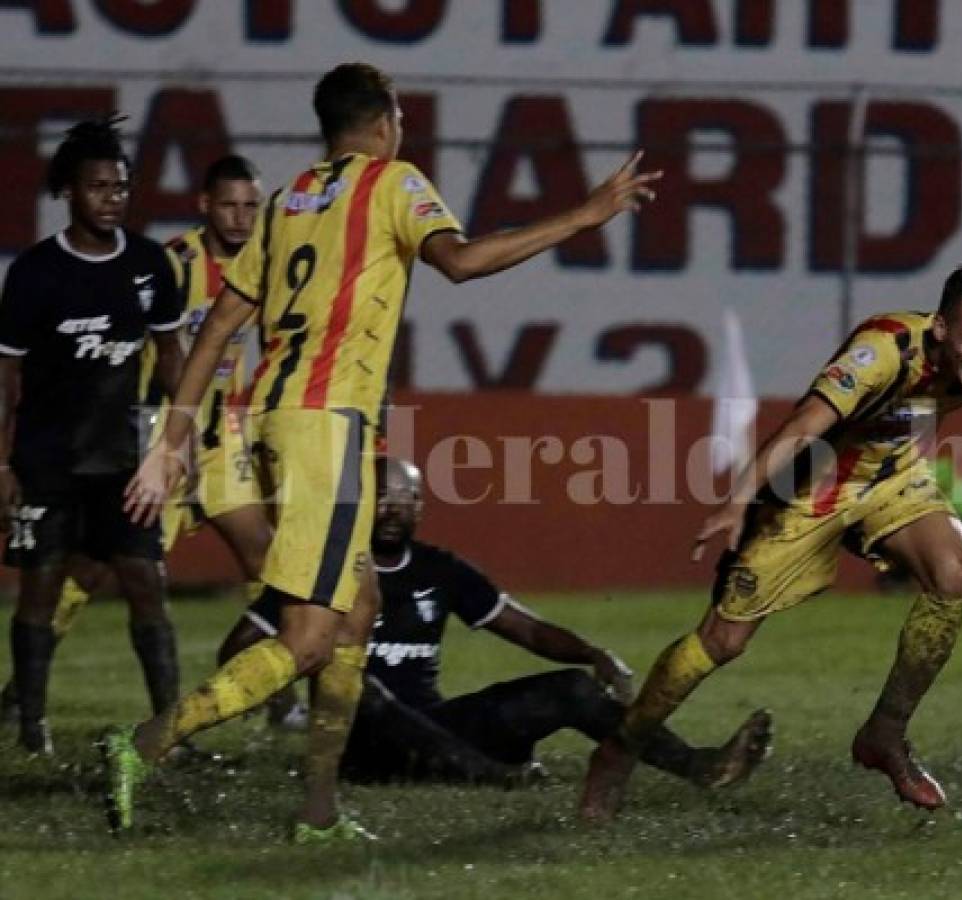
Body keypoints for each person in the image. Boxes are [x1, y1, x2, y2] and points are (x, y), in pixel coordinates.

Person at [109, 62, 662, 841]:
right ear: (383, 121)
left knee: (360, 609)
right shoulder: (392, 182)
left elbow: (226, 316)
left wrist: (173, 437)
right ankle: (144, 745)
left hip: (284, 418)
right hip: (325, 423)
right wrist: (584, 215)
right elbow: (462, 262)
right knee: (307, 640)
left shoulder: (290, 198)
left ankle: (320, 809)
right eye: (397, 118)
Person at [579, 260, 962, 823]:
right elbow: (802, 427)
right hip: (815, 489)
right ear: (940, 329)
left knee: (956, 576)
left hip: (894, 480)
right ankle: (619, 749)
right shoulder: (880, 350)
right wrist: (739, 499)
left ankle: (884, 735)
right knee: (724, 640)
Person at [221, 456, 773, 788]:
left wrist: (591, 655)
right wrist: (281, 699)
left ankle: (696, 765)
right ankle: (495, 777)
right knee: (362, 690)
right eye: (381, 497)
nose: (392, 508)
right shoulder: (322, 567)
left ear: (421, 508)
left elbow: (525, 628)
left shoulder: (441, 569)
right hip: (357, 750)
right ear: (359, 506)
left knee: (571, 691)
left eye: (406, 497)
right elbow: (239, 645)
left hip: (439, 735)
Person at [0, 155, 275, 727]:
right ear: (204, 205)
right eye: (229, 204)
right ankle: (23, 694)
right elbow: (156, 350)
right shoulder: (174, 261)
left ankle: (276, 692)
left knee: (264, 557)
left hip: (215, 429)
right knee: (95, 571)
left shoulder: (264, 265)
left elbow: (248, 348)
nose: (242, 217)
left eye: (252, 205)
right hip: (145, 432)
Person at [0, 116, 186, 755]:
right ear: (69, 192)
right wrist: (3, 462)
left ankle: (169, 728)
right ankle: (32, 728)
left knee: (146, 580)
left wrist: (169, 443)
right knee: (42, 587)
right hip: (47, 458)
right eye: (99, 186)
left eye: (122, 187)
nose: (113, 197)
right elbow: (7, 373)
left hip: (122, 461)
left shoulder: (149, 264)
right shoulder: (34, 273)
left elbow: (170, 355)